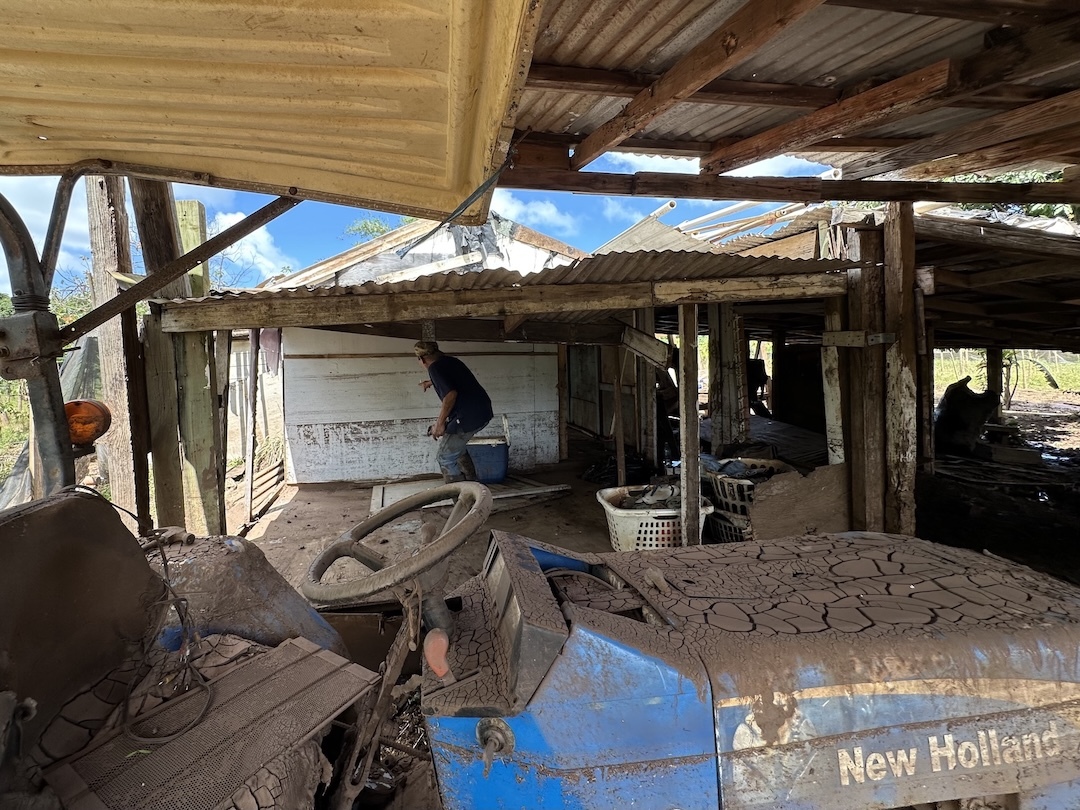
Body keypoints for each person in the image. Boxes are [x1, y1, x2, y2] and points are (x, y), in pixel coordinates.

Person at [414, 340, 493, 482]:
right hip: (482, 411)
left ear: (422, 359)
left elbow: (450, 394)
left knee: (445, 458)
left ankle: (463, 501)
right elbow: (457, 379)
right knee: (458, 450)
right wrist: (431, 382)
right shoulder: (451, 361)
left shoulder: (434, 368)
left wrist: (439, 424)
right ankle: (473, 485)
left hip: (467, 416)